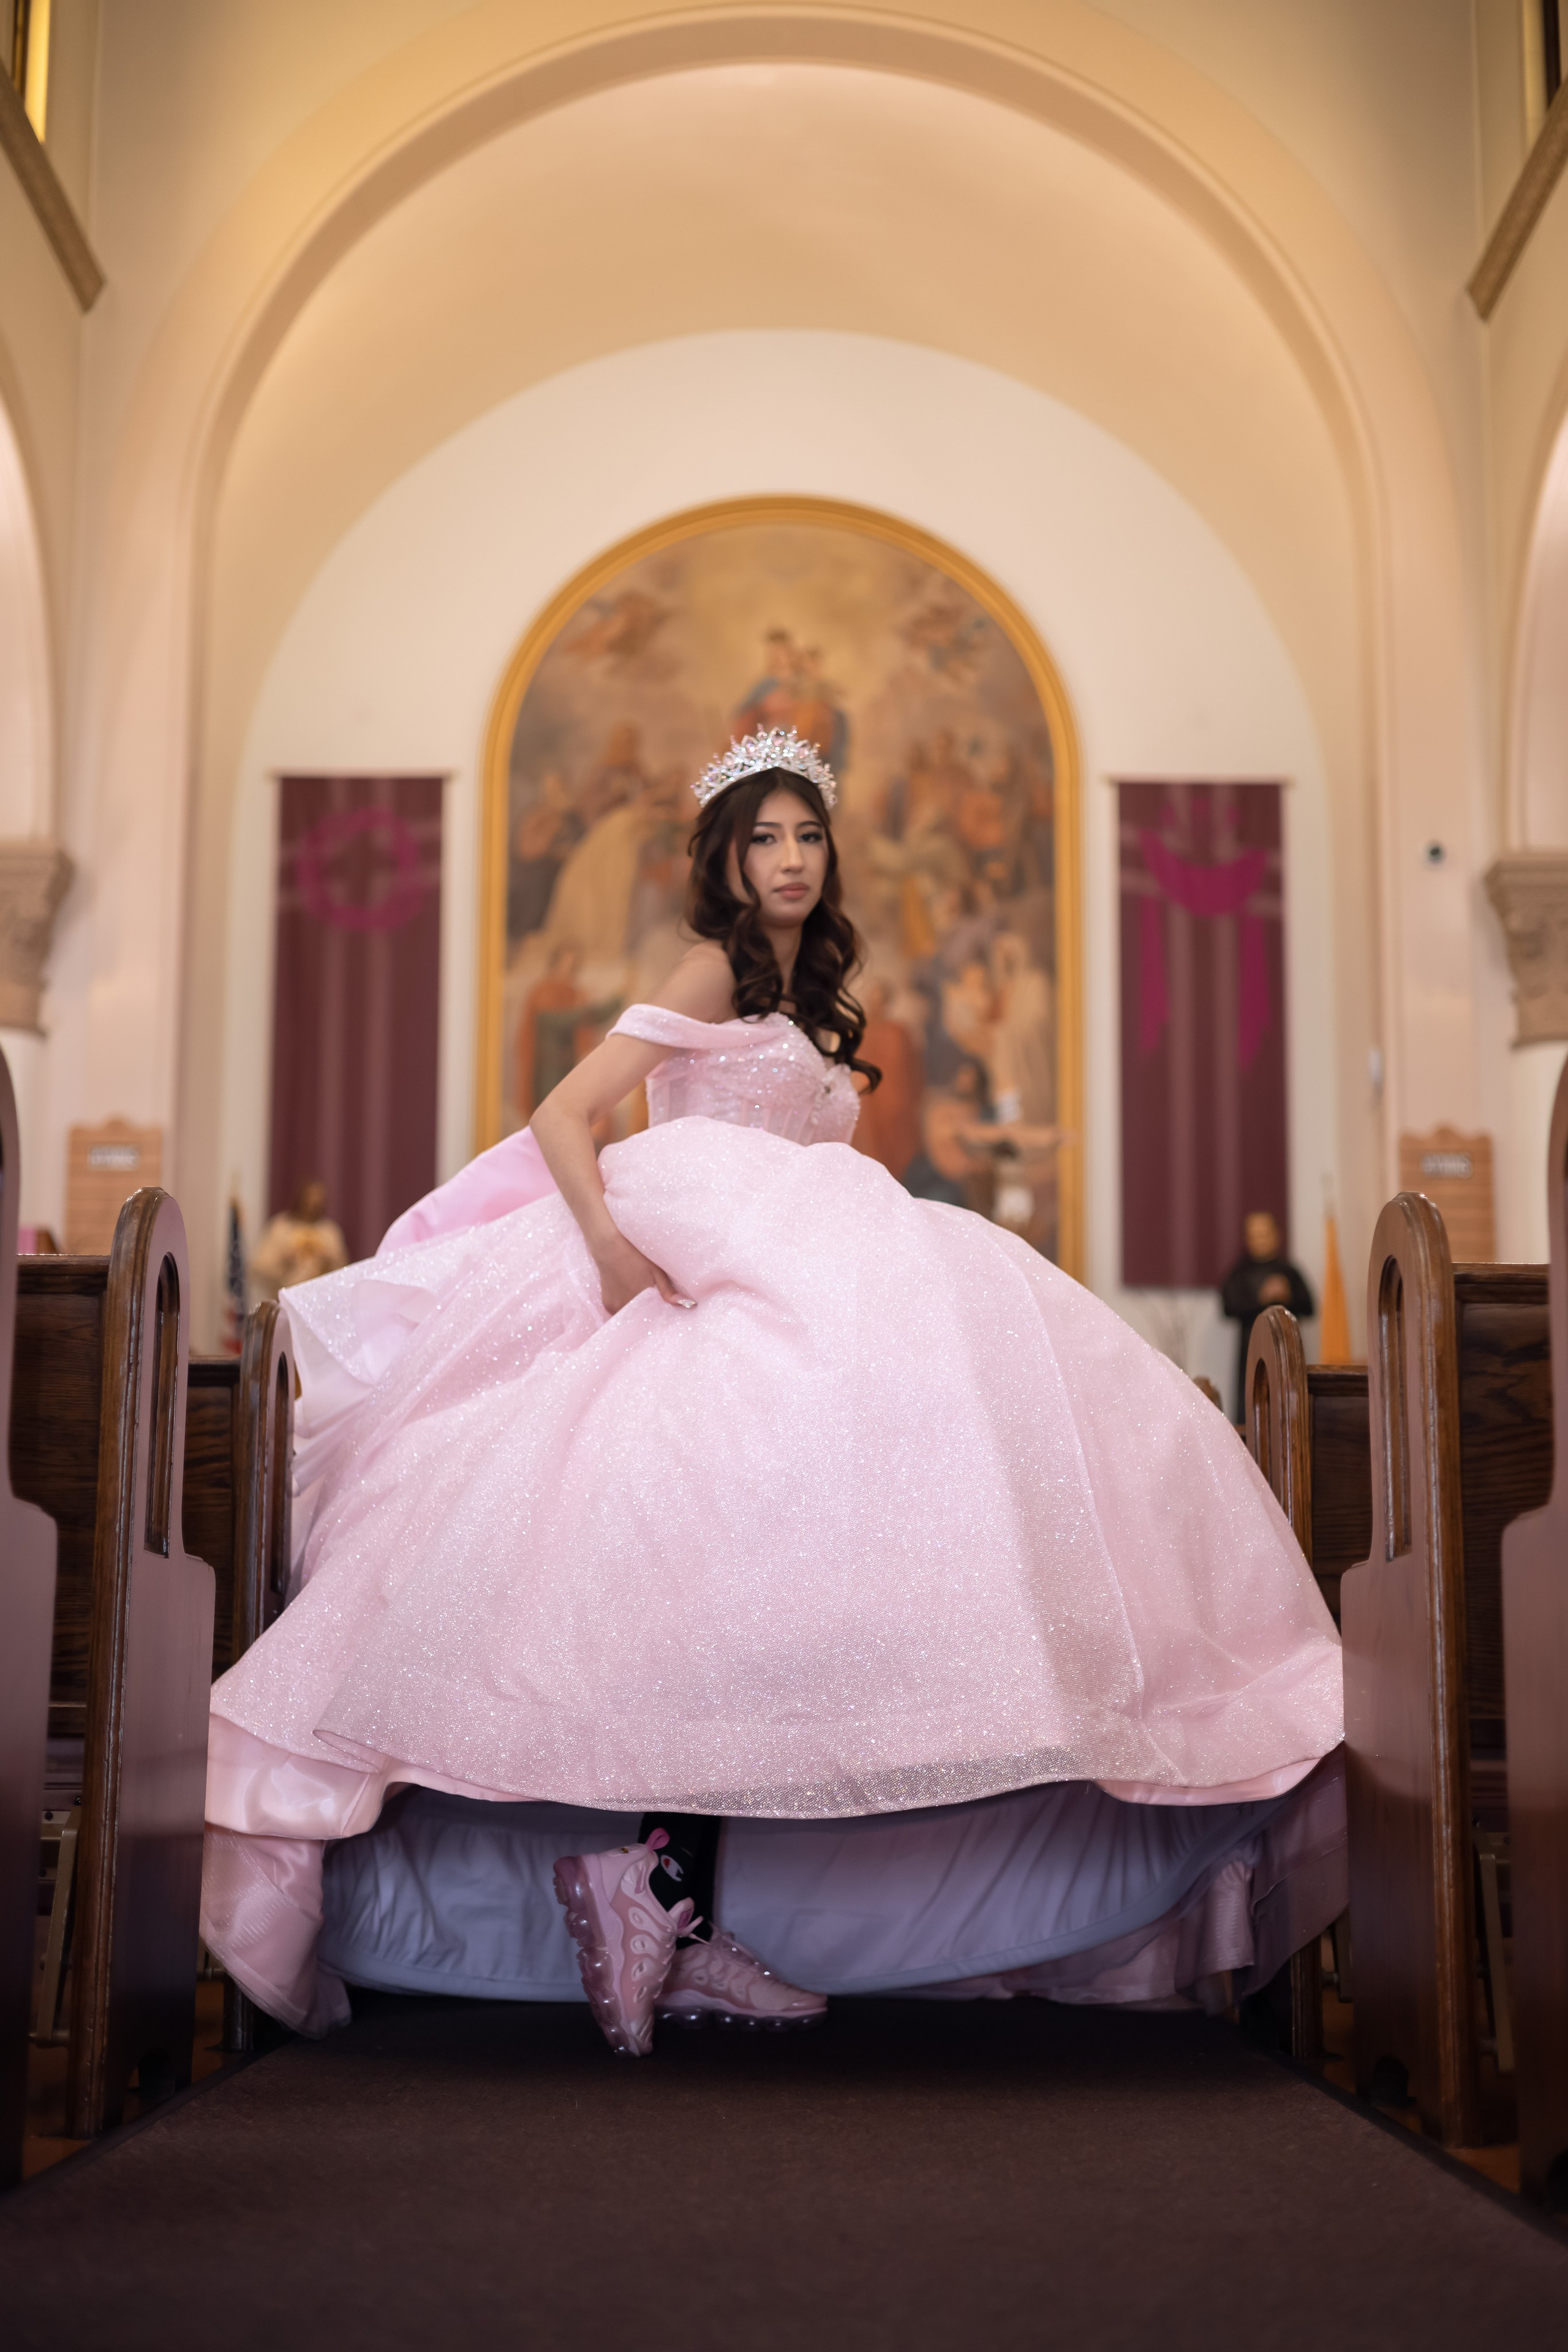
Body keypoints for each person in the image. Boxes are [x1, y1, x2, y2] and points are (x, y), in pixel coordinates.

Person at [201, 726, 1340, 2060]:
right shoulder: (704, 966)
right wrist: (621, 1256)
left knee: (793, 1560)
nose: (789, 859)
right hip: (700, 1260)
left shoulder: (812, 990)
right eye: (763, 838)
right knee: (676, 1550)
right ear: (726, 859)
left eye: (806, 836)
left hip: (798, 1265)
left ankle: (661, 1902)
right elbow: (569, 1113)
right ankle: (652, 1890)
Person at [1221, 1211, 1316, 1419]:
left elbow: (1310, 1308)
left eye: (1264, 1234)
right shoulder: (1239, 1272)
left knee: (1287, 1408)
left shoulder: (1289, 1271)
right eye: (1254, 1235)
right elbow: (1228, 1308)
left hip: (1285, 1348)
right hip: (1250, 1348)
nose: (1260, 1240)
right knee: (1249, 1406)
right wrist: (1260, 1299)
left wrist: (1287, 1297)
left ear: (1276, 1235)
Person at [248, 1178, 349, 1301]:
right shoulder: (281, 1227)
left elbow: (344, 1273)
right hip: (285, 1300)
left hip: (320, 1301)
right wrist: (283, 1262)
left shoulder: (330, 1232)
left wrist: (330, 1264)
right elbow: (259, 1268)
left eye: (317, 1203)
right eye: (309, 1200)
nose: (312, 1206)